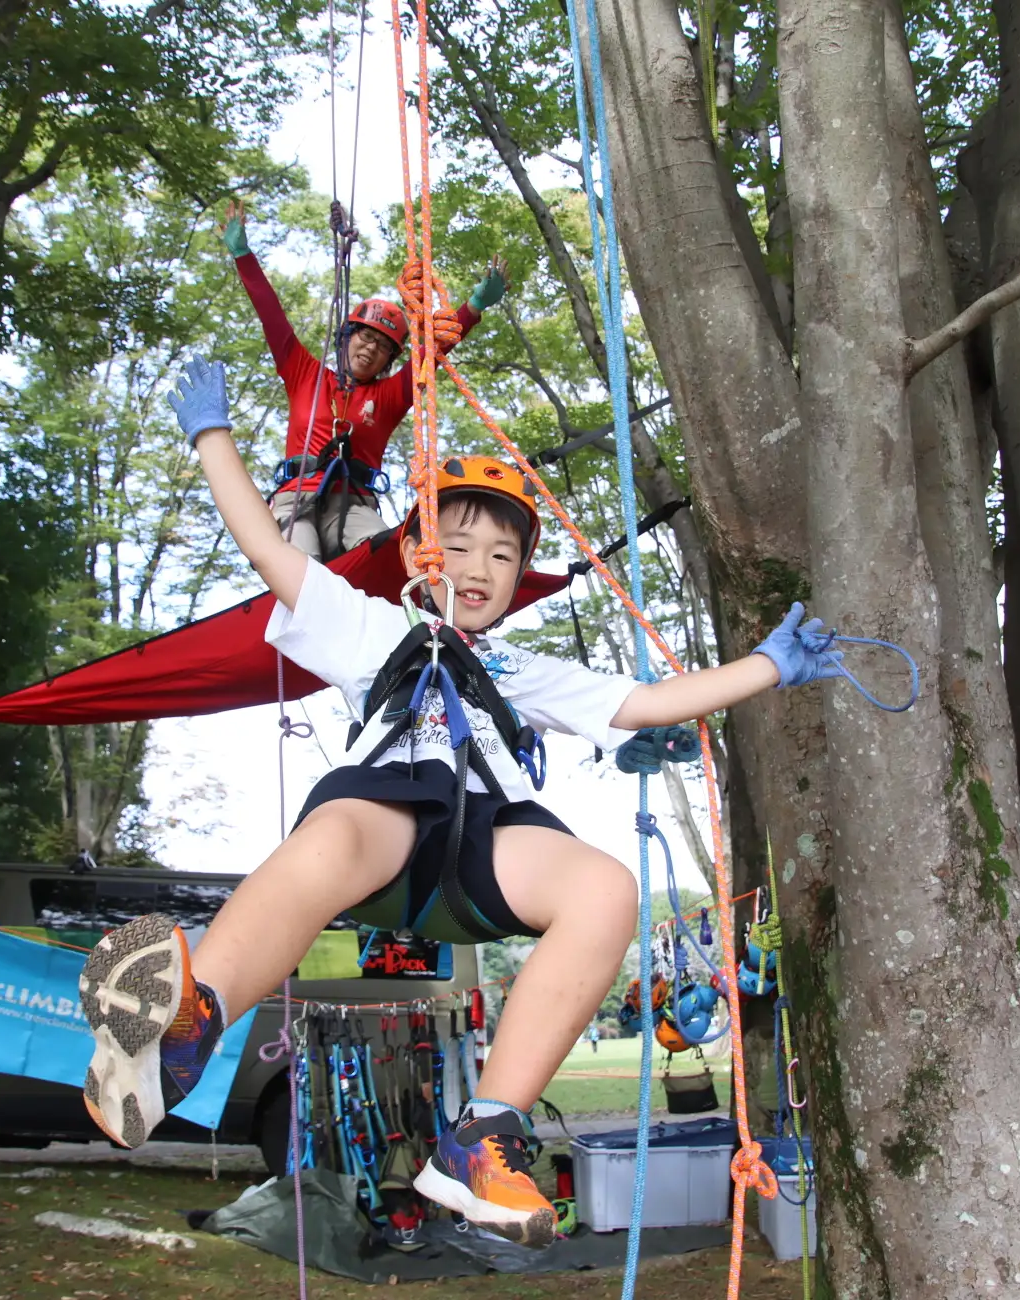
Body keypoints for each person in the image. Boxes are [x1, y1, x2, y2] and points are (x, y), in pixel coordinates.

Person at [77, 359, 849, 1248]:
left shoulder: (527, 671)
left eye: (503, 554)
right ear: (414, 555)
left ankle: (481, 1140)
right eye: (460, 545)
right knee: (334, 837)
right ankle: (190, 1018)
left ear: (521, 576)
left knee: (604, 890)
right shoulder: (372, 629)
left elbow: (646, 702)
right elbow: (268, 549)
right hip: (387, 825)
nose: (481, 567)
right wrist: (213, 437)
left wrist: (767, 666)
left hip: (488, 846)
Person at [223, 200, 508, 558]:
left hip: (354, 504)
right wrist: (243, 256)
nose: (371, 349)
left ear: (389, 360)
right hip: (297, 498)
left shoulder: (389, 397)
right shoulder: (304, 374)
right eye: (366, 337)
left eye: (383, 347)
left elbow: (432, 354)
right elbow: (272, 316)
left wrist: (473, 307)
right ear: (346, 338)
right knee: (299, 564)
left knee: (385, 555)